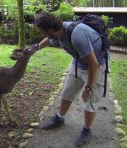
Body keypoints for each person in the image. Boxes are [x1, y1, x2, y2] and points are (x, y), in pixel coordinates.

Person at [33, 11, 106, 147]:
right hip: (78, 62)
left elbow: (93, 64)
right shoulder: (58, 33)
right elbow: (49, 40)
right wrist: (35, 48)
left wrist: (88, 88)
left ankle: (87, 130)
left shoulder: (77, 35)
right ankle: (60, 119)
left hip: (97, 65)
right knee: (67, 92)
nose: (42, 34)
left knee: (89, 100)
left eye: (42, 31)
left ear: (50, 30)